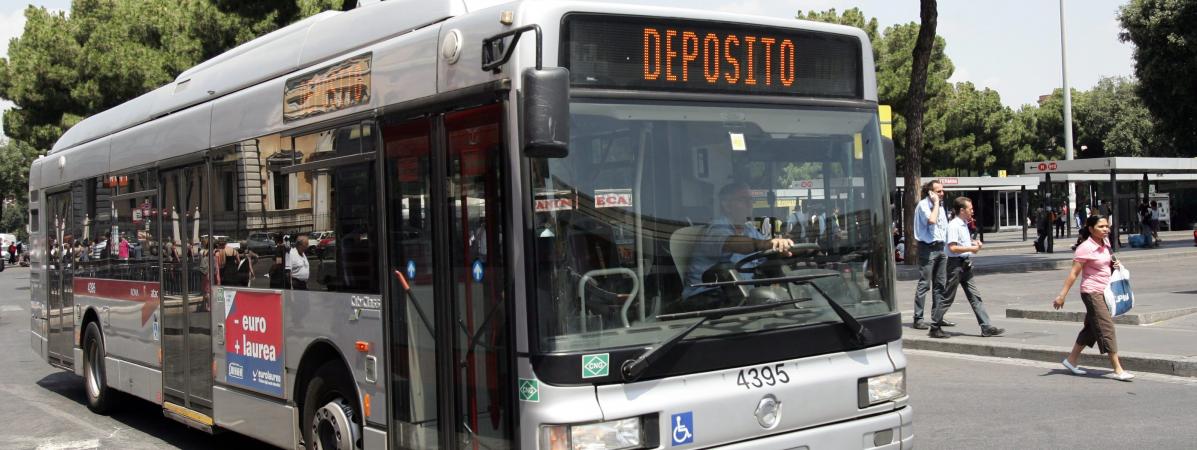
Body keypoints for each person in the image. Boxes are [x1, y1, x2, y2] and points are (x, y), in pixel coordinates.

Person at [681, 182, 794, 311]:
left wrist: (787, 247)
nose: (750, 204)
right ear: (726, 205)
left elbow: (768, 250)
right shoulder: (715, 228)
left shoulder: (750, 230)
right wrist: (766, 243)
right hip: (706, 299)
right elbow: (732, 243)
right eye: (743, 200)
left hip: (739, 297)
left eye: (751, 200)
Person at [1053, 215, 1134, 381]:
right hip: (1092, 292)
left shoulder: (1106, 242)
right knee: (1106, 328)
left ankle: (1071, 360)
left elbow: (1108, 263)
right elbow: (1074, 273)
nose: (1106, 229)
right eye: (1101, 227)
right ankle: (1118, 369)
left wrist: (1116, 264)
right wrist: (1062, 295)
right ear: (1091, 229)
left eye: (1107, 226)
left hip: (1106, 291)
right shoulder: (1085, 248)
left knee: (1091, 328)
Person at [928, 197, 1005, 338]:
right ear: (962, 210)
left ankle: (986, 327)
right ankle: (934, 327)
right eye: (970, 209)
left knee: (975, 296)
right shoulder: (954, 225)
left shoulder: (963, 224)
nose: (972, 211)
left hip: (964, 264)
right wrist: (971, 248)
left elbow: (962, 242)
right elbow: (952, 247)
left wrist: (973, 243)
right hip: (955, 265)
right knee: (947, 297)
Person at [912, 180, 952, 330]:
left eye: (942, 190)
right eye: (938, 191)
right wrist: (935, 203)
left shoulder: (940, 206)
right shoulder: (924, 205)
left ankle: (937, 317)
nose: (942, 193)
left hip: (941, 247)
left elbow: (944, 228)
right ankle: (918, 318)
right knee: (924, 284)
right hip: (927, 248)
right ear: (930, 192)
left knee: (940, 284)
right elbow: (932, 220)